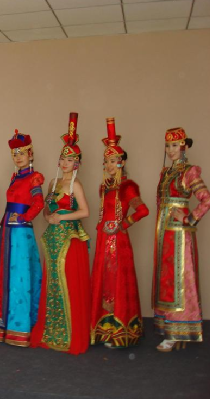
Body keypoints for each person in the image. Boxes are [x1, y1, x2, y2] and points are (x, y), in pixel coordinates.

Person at [30, 113, 91, 355]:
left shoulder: (76, 185)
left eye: (70, 159)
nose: (65, 163)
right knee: (53, 283)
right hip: (53, 239)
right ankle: (53, 331)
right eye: (63, 158)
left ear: (77, 163)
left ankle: (71, 334)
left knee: (69, 283)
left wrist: (61, 218)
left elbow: (85, 211)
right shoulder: (53, 184)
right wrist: (48, 217)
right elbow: (47, 209)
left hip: (69, 239)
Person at [90, 118, 149, 349]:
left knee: (117, 282)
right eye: (106, 161)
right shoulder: (105, 187)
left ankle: (120, 331)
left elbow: (143, 210)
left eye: (113, 161)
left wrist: (122, 224)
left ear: (122, 162)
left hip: (118, 242)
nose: (109, 165)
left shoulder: (127, 187)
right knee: (104, 281)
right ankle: (103, 330)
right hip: (103, 241)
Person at [153, 128, 210, 352]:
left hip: (179, 235)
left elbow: (206, 199)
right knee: (166, 277)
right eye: (168, 146)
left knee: (179, 279)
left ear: (183, 146)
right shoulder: (166, 172)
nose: (170, 150)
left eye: (175, 145)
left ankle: (178, 330)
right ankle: (168, 326)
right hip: (163, 232)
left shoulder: (189, 172)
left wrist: (188, 218)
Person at [0, 132, 44, 347]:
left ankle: (19, 328)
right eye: (15, 154)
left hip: (21, 232)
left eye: (21, 153)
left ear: (30, 154)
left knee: (20, 277)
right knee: (7, 276)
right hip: (7, 230)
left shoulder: (34, 177)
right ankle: (4, 325)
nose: (18, 157)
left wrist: (24, 218)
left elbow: (38, 203)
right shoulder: (15, 177)